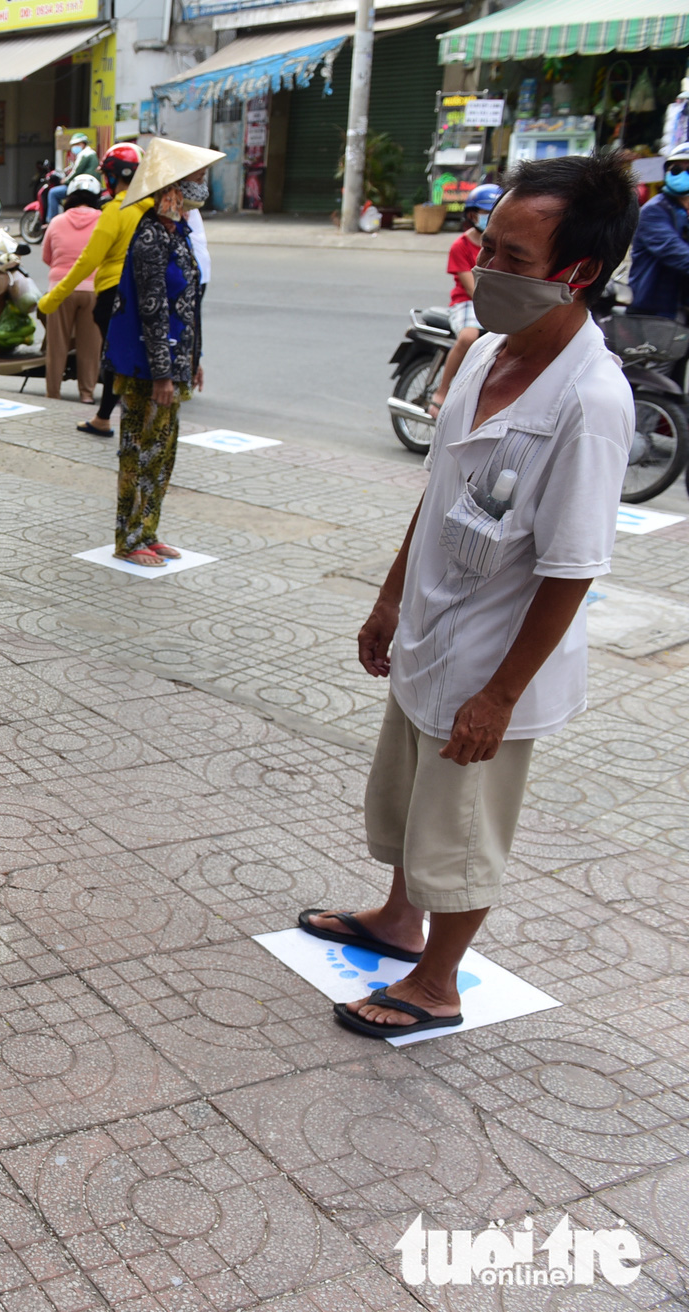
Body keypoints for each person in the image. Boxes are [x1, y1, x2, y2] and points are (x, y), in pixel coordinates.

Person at [305, 152, 637, 1039]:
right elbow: (442, 489)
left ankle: (436, 982)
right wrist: (389, 598)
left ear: (578, 272)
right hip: (432, 623)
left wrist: (500, 695)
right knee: (411, 793)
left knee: (460, 828)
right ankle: (396, 919)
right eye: (487, 246)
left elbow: (573, 566)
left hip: (495, 657)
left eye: (512, 259)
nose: (486, 269)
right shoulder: (486, 351)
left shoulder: (591, 403)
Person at [105, 140, 222, 566]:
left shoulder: (180, 234)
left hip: (173, 362)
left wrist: (193, 359)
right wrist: (162, 374)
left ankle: (148, 530)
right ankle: (129, 538)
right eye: (195, 179)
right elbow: (153, 309)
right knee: (139, 451)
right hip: (146, 367)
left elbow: (188, 303)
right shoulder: (150, 237)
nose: (201, 187)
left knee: (163, 453)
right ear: (172, 187)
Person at [40, 141, 145, 439]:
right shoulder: (149, 209)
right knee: (113, 353)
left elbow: (88, 260)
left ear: (113, 176)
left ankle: (97, 415)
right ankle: (101, 411)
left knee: (112, 357)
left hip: (111, 294)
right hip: (141, 294)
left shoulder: (115, 212)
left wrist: (52, 299)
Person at [430, 183, 503, 411]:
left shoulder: (504, 246)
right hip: (467, 302)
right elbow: (473, 290)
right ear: (472, 215)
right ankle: (442, 391)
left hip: (498, 301)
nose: (489, 218)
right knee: (468, 336)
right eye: (485, 213)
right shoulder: (460, 246)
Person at [41, 172, 104, 403]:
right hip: (94, 289)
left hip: (61, 289)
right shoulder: (103, 220)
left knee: (57, 344)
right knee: (91, 345)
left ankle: (53, 393)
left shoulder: (57, 221)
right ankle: (86, 394)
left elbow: (47, 257)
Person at [627, 143, 689, 317]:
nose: (682, 175)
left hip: (679, 305)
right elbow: (675, 252)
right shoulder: (654, 210)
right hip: (654, 310)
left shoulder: (682, 210)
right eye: (676, 169)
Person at [46, 132, 97, 223]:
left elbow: (76, 172)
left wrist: (64, 181)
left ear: (82, 144)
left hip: (81, 187)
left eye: (76, 144)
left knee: (53, 193)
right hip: (89, 185)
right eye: (73, 145)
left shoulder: (84, 155)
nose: (74, 147)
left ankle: (51, 221)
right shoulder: (91, 153)